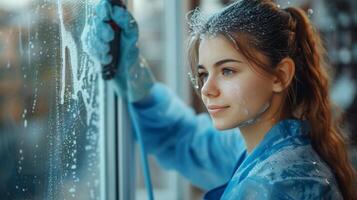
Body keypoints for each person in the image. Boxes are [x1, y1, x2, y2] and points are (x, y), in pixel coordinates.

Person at [82, 0, 357, 199]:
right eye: (203, 73)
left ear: (280, 75)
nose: (207, 89)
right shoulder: (258, 148)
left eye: (227, 70)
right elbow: (184, 138)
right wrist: (134, 77)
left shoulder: (279, 186)